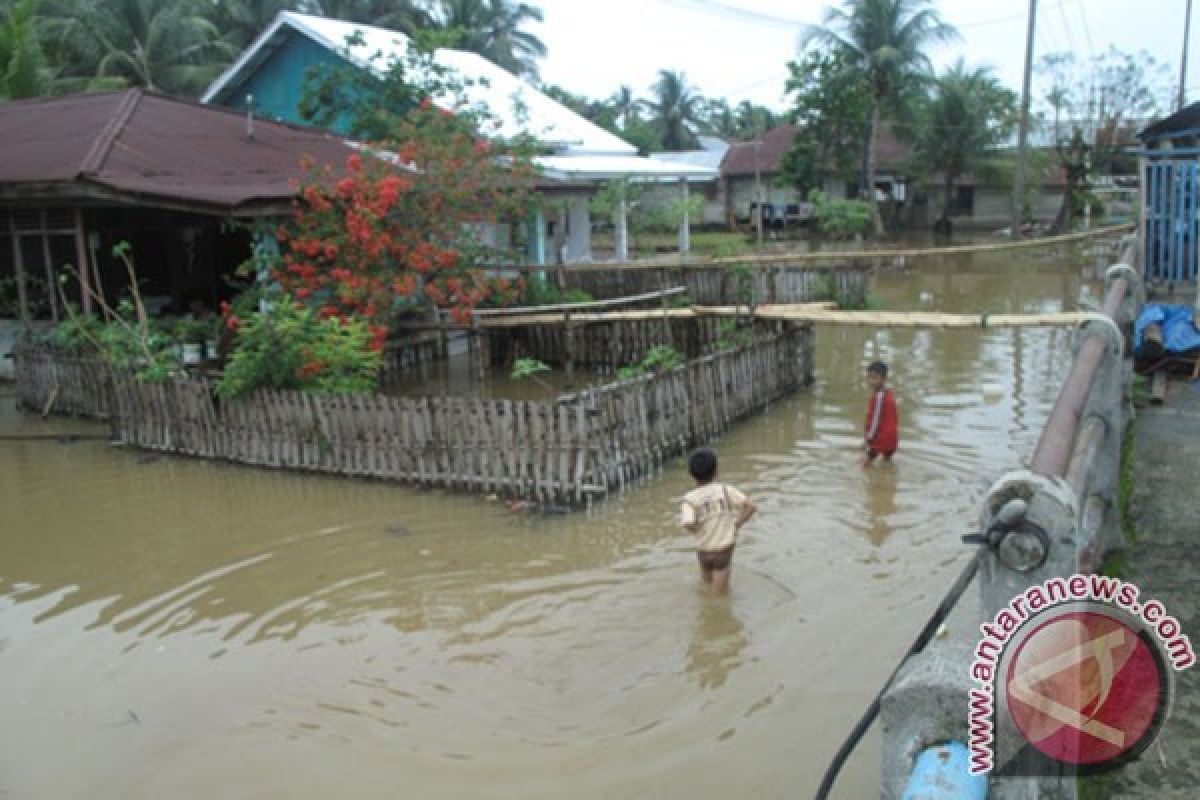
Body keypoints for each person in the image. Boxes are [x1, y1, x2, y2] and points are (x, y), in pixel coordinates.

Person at [679, 448, 757, 595]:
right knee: (720, 594)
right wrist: (736, 525)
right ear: (716, 471)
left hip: (704, 550)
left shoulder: (689, 499)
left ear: (691, 474)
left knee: (706, 584)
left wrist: (698, 530)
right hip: (723, 550)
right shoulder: (725, 490)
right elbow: (750, 507)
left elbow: (687, 523)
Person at [860, 361, 899, 467]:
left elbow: (875, 422)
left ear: (883, 379)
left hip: (881, 440)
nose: (871, 381)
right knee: (887, 466)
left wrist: (868, 441)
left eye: (874, 378)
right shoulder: (889, 393)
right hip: (892, 440)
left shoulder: (879, 397)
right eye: (869, 377)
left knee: (863, 466)